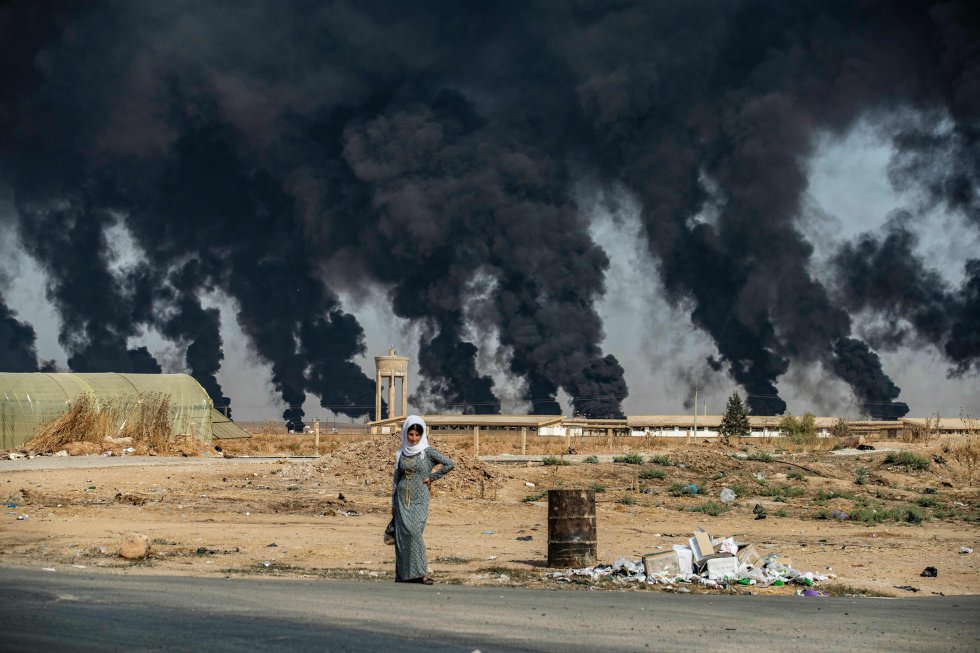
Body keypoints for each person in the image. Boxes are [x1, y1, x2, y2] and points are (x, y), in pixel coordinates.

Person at [391, 415, 454, 584]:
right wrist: (393, 504)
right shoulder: (400, 453)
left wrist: (432, 477)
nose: (413, 438)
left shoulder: (428, 451)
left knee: (414, 532)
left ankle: (421, 573)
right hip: (402, 499)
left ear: (422, 435)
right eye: (410, 434)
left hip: (420, 498)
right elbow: (396, 480)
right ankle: (405, 575)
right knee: (402, 536)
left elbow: (450, 464)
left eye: (417, 435)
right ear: (405, 434)